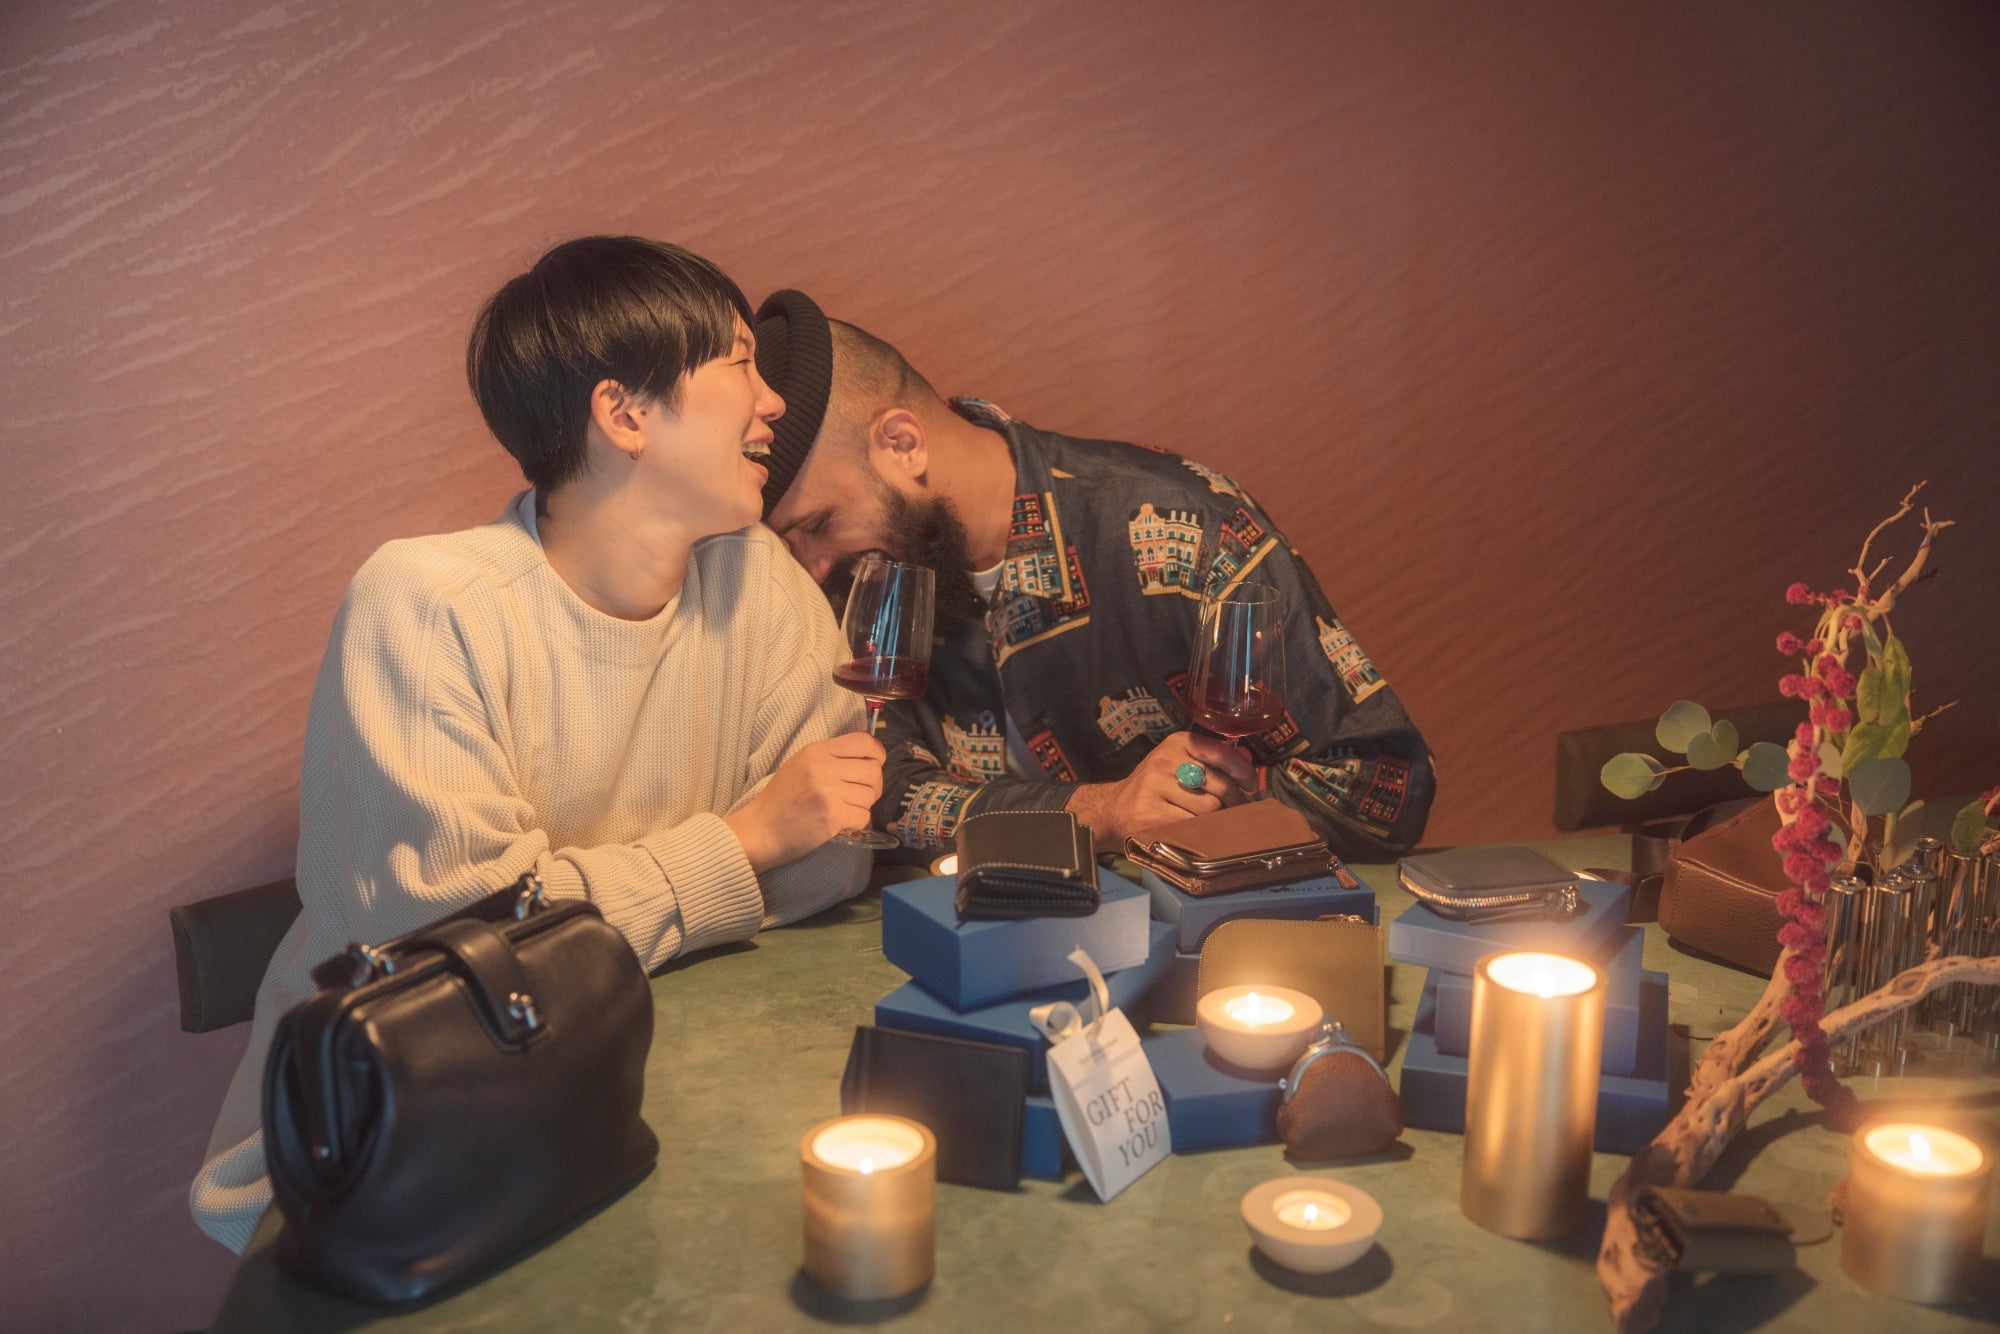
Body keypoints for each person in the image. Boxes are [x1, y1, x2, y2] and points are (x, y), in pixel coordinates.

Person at [190, 239, 882, 1252]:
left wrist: (587, 897)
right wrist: (737, 845)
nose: (773, 400)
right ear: (624, 412)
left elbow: (830, 853)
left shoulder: (758, 582)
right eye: (738, 360)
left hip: (646, 1078)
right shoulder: (427, 607)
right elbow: (456, 972)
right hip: (406, 1157)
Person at [750, 289, 1433, 859]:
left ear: (902, 445)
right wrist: (1098, 812)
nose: (812, 565)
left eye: (817, 524)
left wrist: (1195, 803)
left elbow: (1381, 787)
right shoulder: (874, 572)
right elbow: (880, 786)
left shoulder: (1176, 529)